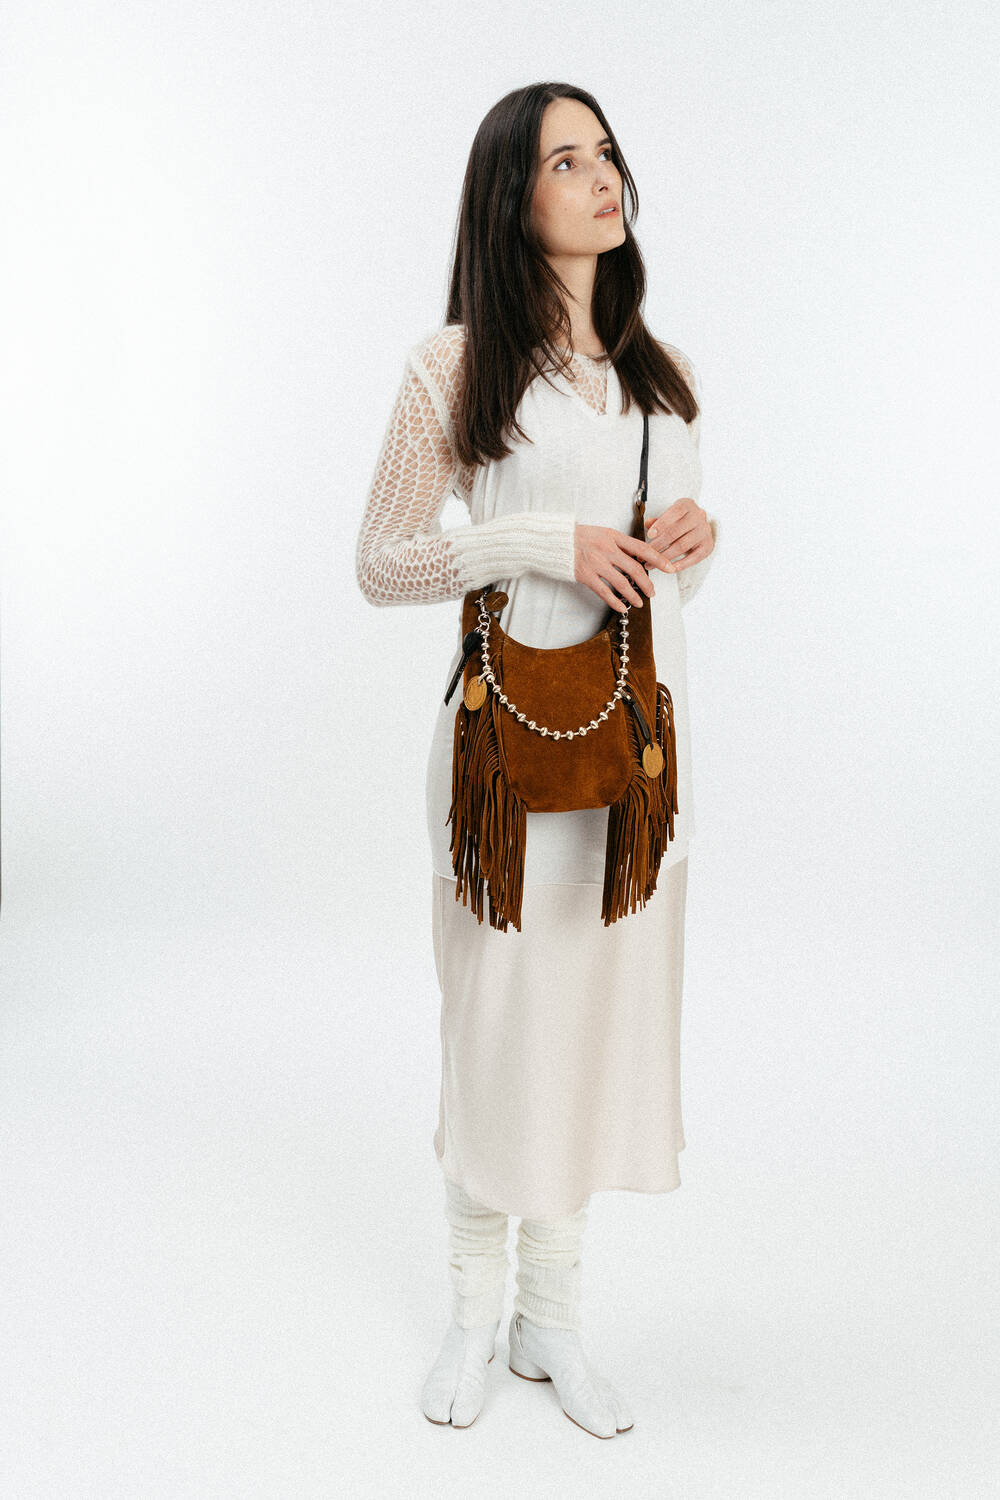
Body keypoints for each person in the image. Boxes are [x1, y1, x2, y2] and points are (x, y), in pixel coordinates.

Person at [355, 81, 719, 1438]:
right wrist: (540, 544)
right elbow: (383, 561)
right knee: (497, 1023)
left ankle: (551, 1319)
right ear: (514, 197)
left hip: (632, 756)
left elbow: (664, 580)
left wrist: (693, 547)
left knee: (584, 1028)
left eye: (607, 152)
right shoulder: (454, 365)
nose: (602, 176)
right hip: (503, 760)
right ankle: (472, 1313)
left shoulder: (659, 374)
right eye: (567, 160)